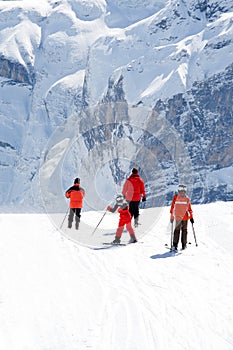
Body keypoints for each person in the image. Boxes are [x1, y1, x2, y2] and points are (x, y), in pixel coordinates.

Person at [170, 184, 194, 250]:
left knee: (177, 231)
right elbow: (189, 209)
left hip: (178, 217)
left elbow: (172, 208)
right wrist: (191, 217)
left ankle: (175, 245)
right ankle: (183, 245)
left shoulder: (176, 197)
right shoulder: (187, 198)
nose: (182, 191)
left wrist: (172, 216)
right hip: (184, 217)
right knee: (184, 231)